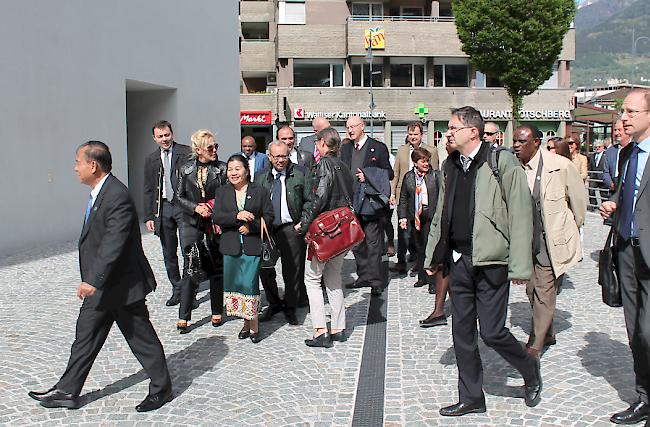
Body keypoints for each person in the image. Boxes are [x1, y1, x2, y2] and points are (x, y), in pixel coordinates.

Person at [29, 141, 172, 412]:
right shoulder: (101, 192)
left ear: (93, 165)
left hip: (121, 285)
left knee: (140, 337)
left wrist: (93, 280)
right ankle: (67, 391)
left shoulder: (116, 194)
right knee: (85, 334)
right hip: (105, 287)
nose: (75, 168)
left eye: (78, 162)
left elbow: (113, 243)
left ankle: (162, 388)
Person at [424, 106, 541, 416]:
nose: (448, 133)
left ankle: (529, 368)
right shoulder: (450, 165)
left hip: (491, 263)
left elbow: (520, 214)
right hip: (458, 261)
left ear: (472, 131)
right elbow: (441, 214)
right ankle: (472, 396)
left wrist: (519, 266)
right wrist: (432, 255)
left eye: (452, 127)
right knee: (461, 332)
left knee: (491, 332)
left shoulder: (500, 161)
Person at [513, 125, 586, 358]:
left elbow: (579, 205)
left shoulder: (561, 166)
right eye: (514, 140)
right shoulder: (514, 169)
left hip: (549, 241)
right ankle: (549, 332)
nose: (516, 145)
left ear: (536, 142)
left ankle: (535, 343)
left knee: (544, 291)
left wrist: (566, 232)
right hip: (525, 242)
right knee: (532, 289)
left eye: (522, 141)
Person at [601, 88, 650, 426]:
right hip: (627, 250)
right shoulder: (630, 153)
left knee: (648, 331)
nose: (624, 117)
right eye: (623, 112)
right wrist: (615, 204)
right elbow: (626, 190)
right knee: (635, 330)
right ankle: (644, 396)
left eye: (631, 112)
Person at [296, 127, 355, 347]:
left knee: (311, 279)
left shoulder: (323, 165)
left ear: (322, 143)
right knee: (333, 278)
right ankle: (339, 328)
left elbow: (319, 198)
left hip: (324, 232)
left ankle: (321, 331)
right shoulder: (344, 166)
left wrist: (304, 224)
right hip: (342, 231)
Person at [212, 154, 274, 343]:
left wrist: (251, 226)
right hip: (231, 246)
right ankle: (245, 323)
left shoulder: (260, 191)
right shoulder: (222, 192)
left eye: (237, 169)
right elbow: (217, 217)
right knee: (236, 287)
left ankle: (253, 325)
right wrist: (237, 216)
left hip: (252, 245)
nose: (233, 173)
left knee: (249, 284)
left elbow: (269, 217)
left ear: (246, 170)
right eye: (230, 169)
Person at [174, 130, 227, 332]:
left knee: (216, 266)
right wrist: (196, 207)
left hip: (214, 223)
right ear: (198, 150)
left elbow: (226, 194)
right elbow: (178, 197)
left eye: (216, 146)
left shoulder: (221, 169)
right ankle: (184, 314)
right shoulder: (185, 169)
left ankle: (216, 311)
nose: (214, 150)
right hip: (191, 222)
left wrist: (211, 207)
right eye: (209, 147)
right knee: (190, 265)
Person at [255, 140, 313, 325]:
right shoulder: (260, 175)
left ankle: (290, 308)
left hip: (291, 229)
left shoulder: (301, 173)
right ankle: (274, 304)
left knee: (292, 272)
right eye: (276, 156)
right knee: (265, 268)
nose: (281, 160)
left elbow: (309, 201)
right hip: (268, 230)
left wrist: (302, 223)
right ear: (269, 156)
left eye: (284, 156)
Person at [341, 115, 394, 296]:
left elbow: (389, 173)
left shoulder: (378, 148)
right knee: (357, 244)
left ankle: (375, 281)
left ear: (362, 126)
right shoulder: (346, 148)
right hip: (351, 204)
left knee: (373, 244)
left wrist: (368, 175)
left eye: (353, 127)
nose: (350, 130)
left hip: (370, 205)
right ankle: (363, 276)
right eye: (348, 127)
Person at [143, 120, 191, 307]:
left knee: (188, 249)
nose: (164, 139)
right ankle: (177, 288)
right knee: (168, 251)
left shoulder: (186, 152)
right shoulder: (151, 159)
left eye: (167, 135)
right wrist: (149, 216)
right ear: (154, 138)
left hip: (183, 206)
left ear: (172, 133)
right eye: (160, 136)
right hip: (163, 208)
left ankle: (189, 290)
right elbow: (148, 189)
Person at [390, 121, 439, 274]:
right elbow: (396, 173)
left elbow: (435, 175)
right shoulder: (401, 150)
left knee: (421, 234)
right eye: (410, 134)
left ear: (421, 135)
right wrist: (392, 193)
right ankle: (401, 262)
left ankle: (421, 261)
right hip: (406, 196)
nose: (412, 137)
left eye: (415, 134)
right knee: (403, 232)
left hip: (424, 201)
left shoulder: (431, 150)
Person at [397, 147, 440, 290]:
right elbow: (403, 198)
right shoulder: (409, 177)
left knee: (430, 247)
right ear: (415, 162)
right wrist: (402, 217)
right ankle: (422, 277)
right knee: (419, 248)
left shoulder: (435, 175)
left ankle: (432, 281)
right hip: (415, 216)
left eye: (427, 161)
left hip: (430, 215)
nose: (426, 164)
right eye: (423, 161)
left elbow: (441, 197)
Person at [603, 119, 634, 193]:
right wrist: (612, 185)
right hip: (615, 191)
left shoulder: (635, 148)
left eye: (620, 130)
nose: (616, 133)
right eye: (615, 130)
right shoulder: (610, 151)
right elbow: (605, 172)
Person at [588, 141, 607, 210]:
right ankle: (593, 205)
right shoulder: (592, 156)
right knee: (591, 191)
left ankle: (604, 206)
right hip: (594, 176)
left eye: (599, 147)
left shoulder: (606, 155)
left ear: (602, 147)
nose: (597, 148)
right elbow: (590, 165)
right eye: (596, 147)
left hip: (602, 177)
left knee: (603, 193)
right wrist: (589, 174)